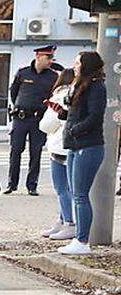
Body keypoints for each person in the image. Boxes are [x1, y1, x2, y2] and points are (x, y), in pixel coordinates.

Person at [58, 51, 107, 256]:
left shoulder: (96, 87)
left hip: (88, 146)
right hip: (74, 146)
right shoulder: (80, 85)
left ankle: (82, 240)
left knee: (80, 195)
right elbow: (75, 111)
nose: (74, 66)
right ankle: (79, 238)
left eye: (77, 62)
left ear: (86, 65)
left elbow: (95, 117)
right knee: (74, 191)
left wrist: (73, 129)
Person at [5, 45, 59, 196]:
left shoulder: (53, 76)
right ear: (38, 57)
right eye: (48, 58)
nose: (50, 61)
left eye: (51, 58)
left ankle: (32, 185)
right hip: (20, 118)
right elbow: (14, 92)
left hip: (38, 120)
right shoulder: (23, 73)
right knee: (15, 151)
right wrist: (20, 106)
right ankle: (11, 184)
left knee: (36, 153)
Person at [38, 68, 76, 241]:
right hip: (68, 145)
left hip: (59, 146)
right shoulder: (76, 94)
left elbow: (46, 124)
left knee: (62, 189)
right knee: (68, 188)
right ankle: (62, 220)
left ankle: (68, 222)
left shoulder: (59, 96)